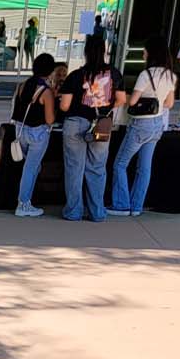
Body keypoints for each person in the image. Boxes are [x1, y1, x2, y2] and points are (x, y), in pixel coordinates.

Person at [58, 33, 127, 223]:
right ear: (104, 51)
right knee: (97, 168)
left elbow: (64, 105)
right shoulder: (114, 74)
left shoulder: (76, 75)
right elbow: (121, 100)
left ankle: (73, 211)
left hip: (75, 123)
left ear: (86, 52)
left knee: (74, 168)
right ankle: (97, 212)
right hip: (101, 125)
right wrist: (105, 108)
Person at [108, 37, 176, 217]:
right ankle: (136, 206)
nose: (143, 54)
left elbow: (132, 101)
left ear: (151, 53)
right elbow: (169, 103)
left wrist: (127, 95)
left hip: (140, 124)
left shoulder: (146, 75)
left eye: (145, 51)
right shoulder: (170, 75)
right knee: (144, 168)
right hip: (157, 123)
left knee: (120, 164)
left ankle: (121, 205)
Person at [12, 52, 58, 218]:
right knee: (31, 168)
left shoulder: (23, 85)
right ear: (51, 71)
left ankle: (26, 199)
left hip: (20, 130)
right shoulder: (45, 92)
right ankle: (24, 203)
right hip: (37, 132)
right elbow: (50, 119)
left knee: (30, 167)